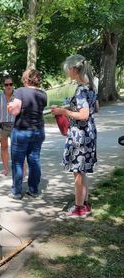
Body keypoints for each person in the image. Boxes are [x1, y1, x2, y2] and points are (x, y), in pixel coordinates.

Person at [51, 54, 98, 219]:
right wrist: (72, 108)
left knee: (78, 172)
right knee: (82, 171)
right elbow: (95, 109)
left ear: (73, 69)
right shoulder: (91, 86)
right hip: (90, 133)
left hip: (80, 136)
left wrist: (64, 111)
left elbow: (84, 115)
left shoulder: (80, 89)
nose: (67, 73)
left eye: (67, 70)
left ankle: (78, 209)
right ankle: (84, 205)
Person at [7, 69, 47, 200]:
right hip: (38, 130)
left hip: (22, 131)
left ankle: (16, 192)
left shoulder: (20, 91)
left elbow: (15, 111)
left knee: (18, 162)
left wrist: (10, 107)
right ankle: (34, 190)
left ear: (25, 79)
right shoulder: (43, 94)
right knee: (34, 160)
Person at [0, 76, 16, 176]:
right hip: (2, 125)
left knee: (17, 147)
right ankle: (6, 168)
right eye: (6, 84)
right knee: (4, 147)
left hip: (15, 124)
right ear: (3, 86)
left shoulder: (18, 95)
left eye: (10, 84)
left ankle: (21, 168)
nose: (9, 86)